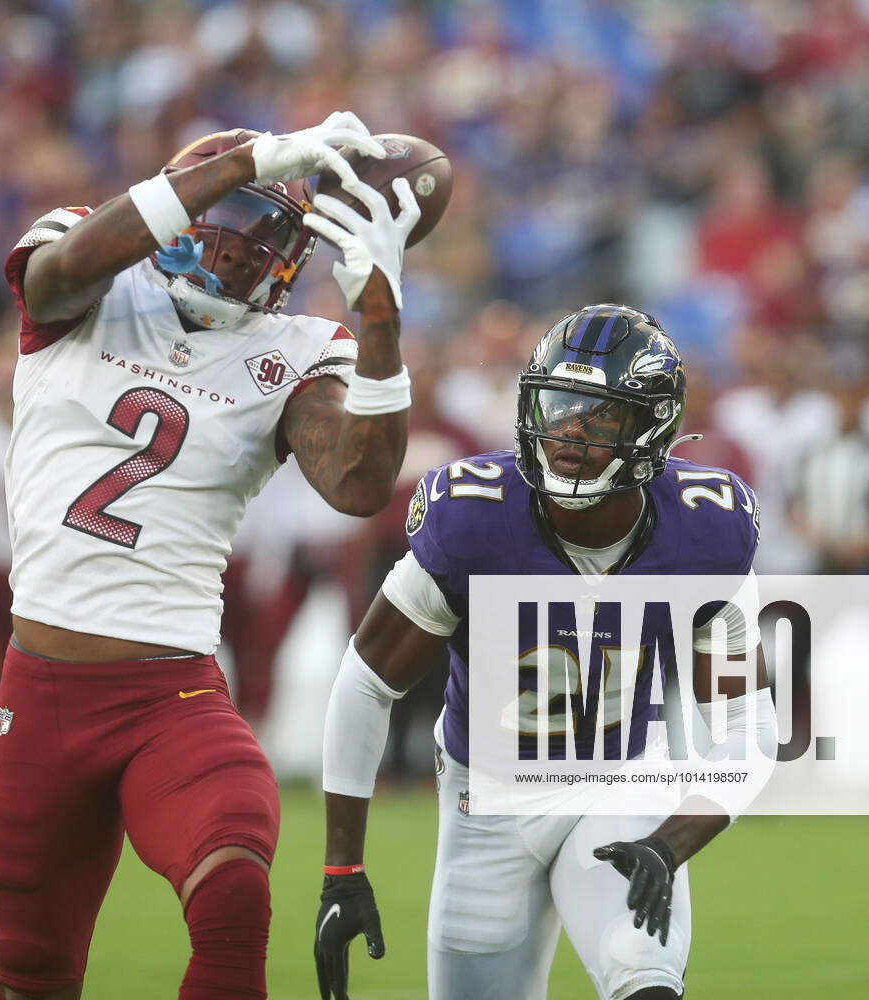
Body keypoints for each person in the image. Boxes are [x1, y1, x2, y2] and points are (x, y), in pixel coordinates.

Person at [0, 111, 420, 1000]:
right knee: (32, 973)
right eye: (232, 232)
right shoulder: (87, 275)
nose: (245, 259)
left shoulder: (294, 348)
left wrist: (378, 318)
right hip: (42, 691)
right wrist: (249, 162)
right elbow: (63, 269)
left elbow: (360, 484)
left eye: (268, 246)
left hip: (168, 691)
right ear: (181, 218)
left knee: (233, 882)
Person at [315, 304, 778, 1000]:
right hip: (487, 804)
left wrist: (670, 842)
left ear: (651, 426)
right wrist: (341, 869)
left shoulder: (704, 532)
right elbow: (365, 681)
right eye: (560, 404)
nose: (570, 429)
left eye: (601, 414)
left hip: (624, 781)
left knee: (644, 979)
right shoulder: (474, 517)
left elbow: (751, 727)